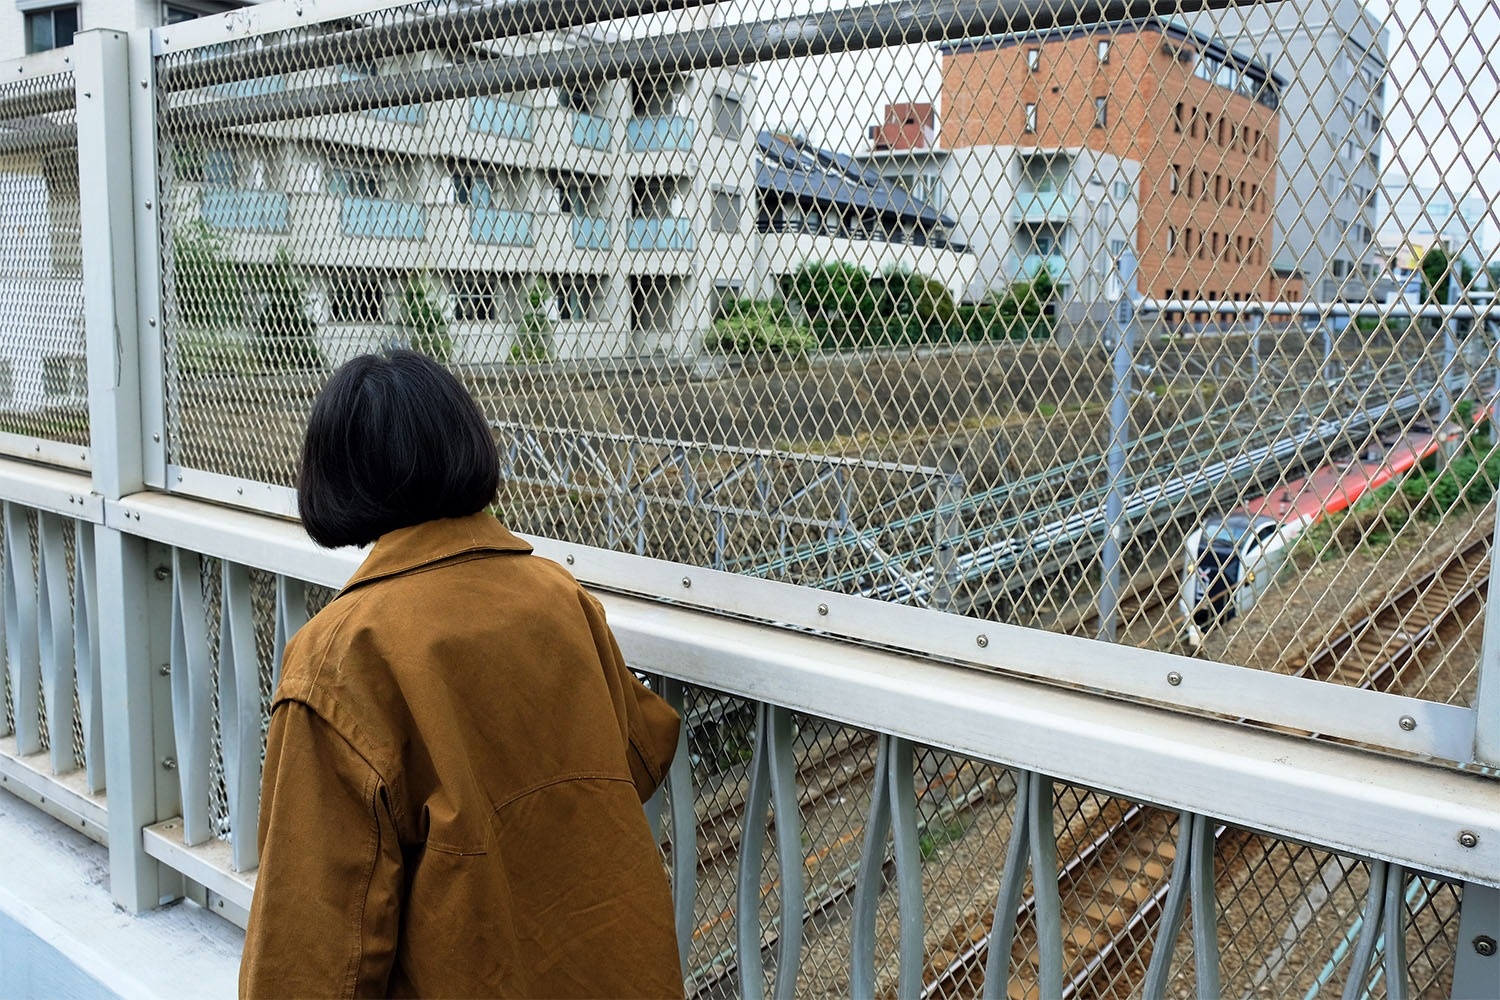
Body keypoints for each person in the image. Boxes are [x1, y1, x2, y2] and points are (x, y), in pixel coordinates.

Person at [240, 351, 684, 998]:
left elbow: (311, 945)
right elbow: (642, 751)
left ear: (335, 476)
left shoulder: (341, 657)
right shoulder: (557, 596)